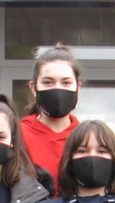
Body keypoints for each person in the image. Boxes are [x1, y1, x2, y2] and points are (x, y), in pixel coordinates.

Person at [20, 45, 82, 188]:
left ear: (78, 87)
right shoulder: (15, 135)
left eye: (66, 82)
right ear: (33, 87)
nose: (57, 88)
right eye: (48, 82)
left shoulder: (87, 138)